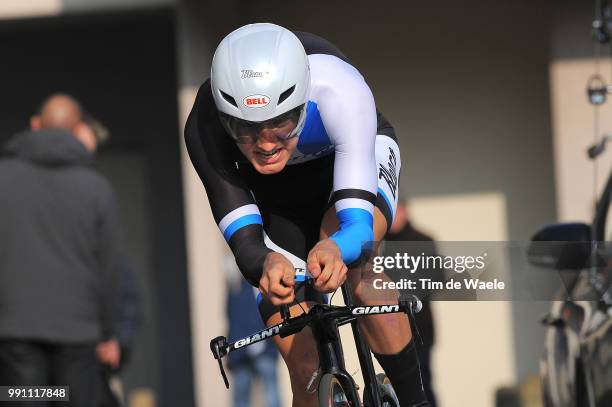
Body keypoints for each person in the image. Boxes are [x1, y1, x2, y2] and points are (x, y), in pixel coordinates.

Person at [185, 24, 429, 406]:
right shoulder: (204, 125)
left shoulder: (340, 90)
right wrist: (266, 263)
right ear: (224, 115)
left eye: (281, 123)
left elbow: (355, 224)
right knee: (303, 363)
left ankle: (416, 401)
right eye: (246, 129)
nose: (266, 144)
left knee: (360, 265)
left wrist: (337, 247)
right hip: (277, 196)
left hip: (346, 166)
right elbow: (246, 242)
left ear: (301, 101)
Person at [0, 94, 122, 407]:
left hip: (16, 332)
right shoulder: (96, 187)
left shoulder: (5, 178)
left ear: (35, 125)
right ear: (78, 129)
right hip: (78, 334)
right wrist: (108, 331)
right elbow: (107, 268)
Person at [385, 200, 439, 407]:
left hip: (420, 328)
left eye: (397, 211)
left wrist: (407, 292)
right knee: (394, 386)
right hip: (390, 325)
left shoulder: (423, 240)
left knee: (423, 384)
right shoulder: (380, 244)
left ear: (405, 211)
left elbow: (436, 276)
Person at [225, 254, 281, 407]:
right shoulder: (234, 292)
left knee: (272, 397)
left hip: (264, 349)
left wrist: (261, 344)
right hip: (240, 355)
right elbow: (233, 321)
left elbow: (263, 317)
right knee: (240, 400)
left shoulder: (260, 287)